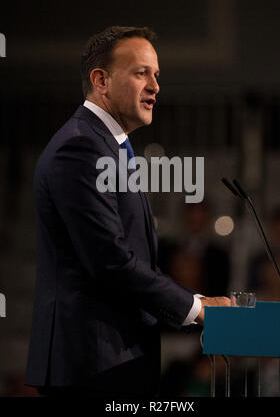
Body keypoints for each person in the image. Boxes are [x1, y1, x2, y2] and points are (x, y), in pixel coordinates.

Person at [25, 26, 230, 397]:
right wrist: (197, 308)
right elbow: (110, 260)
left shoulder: (107, 147)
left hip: (111, 360)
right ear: (101, 80)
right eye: (141, 73)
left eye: (156, 75)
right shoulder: (81, 148)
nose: (155, 86)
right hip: (92, 365)